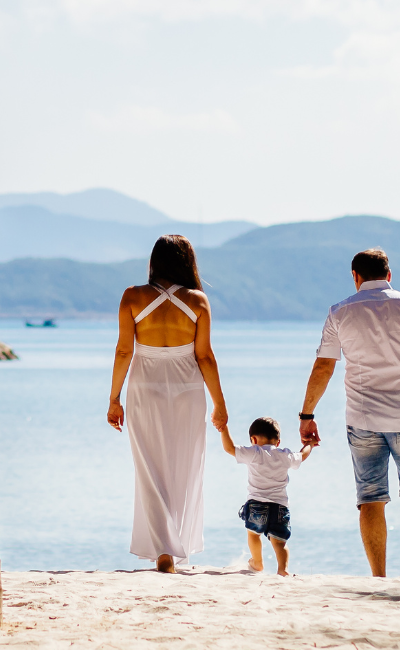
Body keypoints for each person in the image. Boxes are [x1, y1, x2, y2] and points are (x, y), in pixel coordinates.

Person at [297, 248, 400, 577]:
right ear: (389, 275)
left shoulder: (339, 311)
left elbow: (324, 367)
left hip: (362, 418)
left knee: (370, 496)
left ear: (355, 277)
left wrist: (307, 415)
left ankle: (378, 575)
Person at [107, 235, 230, 573]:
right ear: (186, 262)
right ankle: (170, 544)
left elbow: (123, 351)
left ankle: (163, 548)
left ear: (154, 260)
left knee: (148, 465)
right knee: (183, 466)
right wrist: (220, 404)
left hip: (144, 387)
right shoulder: (198, 301)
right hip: (188, 389)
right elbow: (204, 356)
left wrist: (114, 398)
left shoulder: (132, 296)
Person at [218, 417, 314, 576]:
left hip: (257, 504)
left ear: (253, 439)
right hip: (280, 507)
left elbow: (229, 448)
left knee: (253, 534)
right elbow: (302, 455)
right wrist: (309, 444)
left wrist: (224, 428)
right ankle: (283, 569)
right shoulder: (285, 455)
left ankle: (257, 562)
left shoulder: (254, 452)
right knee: (280, 542)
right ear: (278, 442)